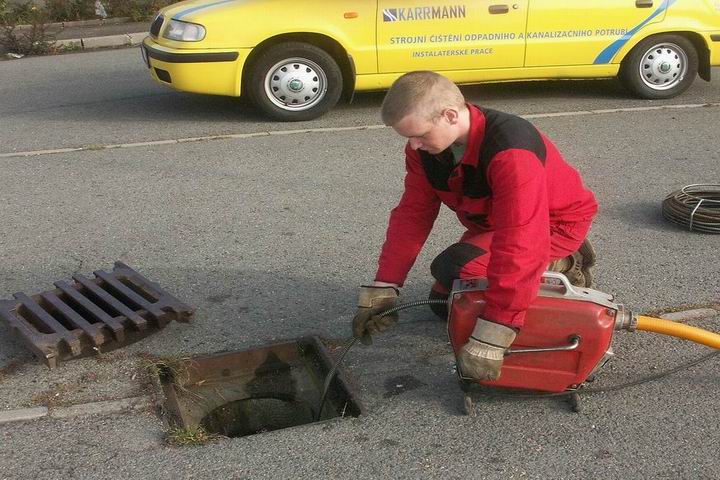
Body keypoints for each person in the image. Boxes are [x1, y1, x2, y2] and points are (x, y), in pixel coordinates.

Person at [351, 71, 598, 381]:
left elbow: (520, 238)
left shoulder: (511, 151)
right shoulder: (426, 150)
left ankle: (566, 261)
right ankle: (525, 277)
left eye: (420, 135)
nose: (413, 146)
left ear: (450, 115)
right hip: (496, 223)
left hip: (551, 226)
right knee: (445, 304)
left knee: (458, 269)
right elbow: (412, 214)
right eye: (407, 138)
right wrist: (385, 285)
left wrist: (496, 331)